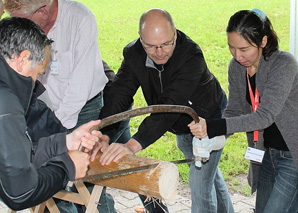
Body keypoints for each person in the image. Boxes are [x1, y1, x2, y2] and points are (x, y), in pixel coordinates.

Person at [98, 8, 234, 213]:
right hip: (180, 125)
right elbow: (119, 94)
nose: (159, 52)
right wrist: (105, 133)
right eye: (151, 46)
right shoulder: (133, 54)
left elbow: (170, 106)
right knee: (209, 177)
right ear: (140, 39)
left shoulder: (191, 56)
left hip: (207, 119)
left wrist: (132, 145)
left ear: (175, 35)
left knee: (200, 186)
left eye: (165, 45)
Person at [189, 9, 298, 213]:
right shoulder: (237, 67)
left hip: (292, 156)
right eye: (232, 47)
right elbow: (235, 110)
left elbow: (265, 117)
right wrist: (215, 137)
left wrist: (213, 127)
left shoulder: (284, 64)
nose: (237, 56)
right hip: (265, 154)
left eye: (244, 49)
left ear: (263, 41)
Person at [0, 16, 104, 211]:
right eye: (38, 73)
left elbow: (13, 161)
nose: (34, 84)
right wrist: (67, 167)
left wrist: (65, 141)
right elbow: (19, 192)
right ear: (23, 59)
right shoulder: (6, 104)